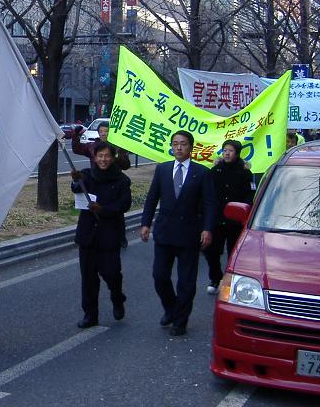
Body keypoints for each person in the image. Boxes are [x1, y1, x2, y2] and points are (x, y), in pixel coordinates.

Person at [139, 130, 217, 336]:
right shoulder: (163, 169)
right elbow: (152, 198)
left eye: (183, 144)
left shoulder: (202, 172)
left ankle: (180, 321)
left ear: (191, 147)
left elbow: (210, 204)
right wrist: (145, 223)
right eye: (175, 144)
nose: (179, 147)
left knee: (186, 281)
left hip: (189, 233)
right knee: (159, 276)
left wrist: (207, 229)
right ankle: (171, 308)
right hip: (164, 231)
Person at [70, 141, 132, 328]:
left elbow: (124, 204)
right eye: (100, 156)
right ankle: (90, 315)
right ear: (95, 157)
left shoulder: (121, 180)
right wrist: (75, 181)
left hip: (110, 233)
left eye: (107, 156)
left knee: (111, 273)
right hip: (88, 234)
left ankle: (117, 297)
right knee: (88, 278)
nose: (103, 159)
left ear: (112, 158)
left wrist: (103, 210)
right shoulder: (87, 174)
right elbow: (77, 190)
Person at [205, 140, 254, 294]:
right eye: (225, 150)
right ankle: (215, 278)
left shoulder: (245, 173)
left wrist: (244, 211)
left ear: (237, 153)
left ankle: (230, 281)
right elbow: (209, 194)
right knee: (211, 251)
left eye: (230, 151)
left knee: (233, 253)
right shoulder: (215, 170)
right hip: (217, 218)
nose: (227, 153)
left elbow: (250, 195)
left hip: (235, 220)